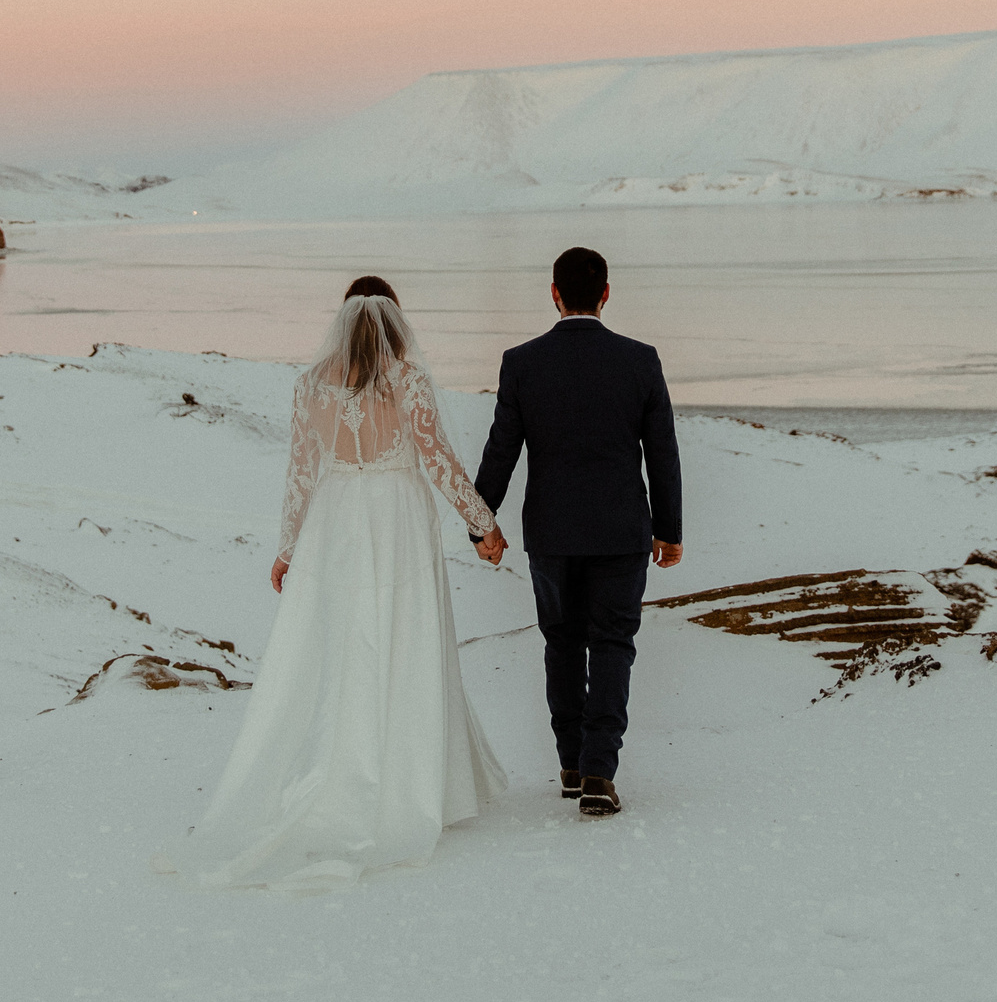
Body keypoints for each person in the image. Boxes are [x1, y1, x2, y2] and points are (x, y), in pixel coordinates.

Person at [172, 276, 509, 890]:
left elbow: (301, 472)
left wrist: (288, 547)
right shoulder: (406, 380)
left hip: (336, 523)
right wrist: (482, 523)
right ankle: (411, 780)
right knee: (404, 638)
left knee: (344, 642)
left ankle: (339, 766)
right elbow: (436, 458)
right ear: (393, 321)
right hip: (398, 519)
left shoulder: (310, 386)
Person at [473, 247, 682, 819]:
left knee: (562, 642)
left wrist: (479, 521)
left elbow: (501, 450)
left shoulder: (522, 362)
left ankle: (572, 761)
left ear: (554, 293)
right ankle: (598, 771)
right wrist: (670, 530)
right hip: (621, 532)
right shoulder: (640, 360)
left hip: (552, 533)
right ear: (607, 293)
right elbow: (661, 451)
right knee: (613, 644)